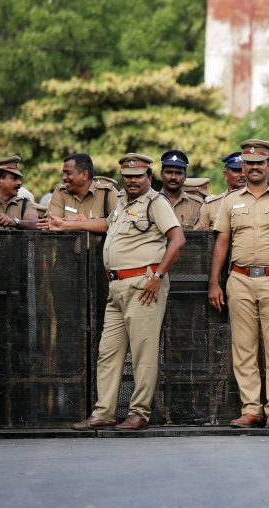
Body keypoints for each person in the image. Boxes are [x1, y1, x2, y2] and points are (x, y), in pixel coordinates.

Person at [71, 154, 185, 431]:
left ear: (148, 177)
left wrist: (158, 275)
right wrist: (68, 224)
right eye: (128, 176)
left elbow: (178, 238)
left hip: (143, 284)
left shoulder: (156, 202)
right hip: (117, 286)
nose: (132, 181)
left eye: (138, 176)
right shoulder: (122, 201)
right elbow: (106, 224)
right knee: (108, 352)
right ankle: (104, 412)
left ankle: (139, 413)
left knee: (143, 353)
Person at [208, 139, 269, 428]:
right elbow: (222, 242)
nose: (253, 168)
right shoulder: (229, 201)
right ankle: (251, 409)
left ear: (268, 166)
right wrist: (215, 281)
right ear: (243, 166)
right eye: (248, 164)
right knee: (244, 348)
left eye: (259, 163)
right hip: (239, 278)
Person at [41, 153, 119, 233]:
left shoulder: (107, 193)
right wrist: (85, 222)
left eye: (68, 173)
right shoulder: (61, 192)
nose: (63, 177)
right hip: (68, 245)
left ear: (85, 175)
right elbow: (52, 224)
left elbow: (118, 225)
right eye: (63, 173)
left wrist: (68, 224)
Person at [0, 155, 40, 230]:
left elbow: (36, 224)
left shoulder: (24, 204)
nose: (19, 182)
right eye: (14, 178)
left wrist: (14, 222)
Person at [196, 152, 246, 230]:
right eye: (237, 171)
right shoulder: (211, 205)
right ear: (225, 175)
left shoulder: (258, 200)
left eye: (245, 171)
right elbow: (198, 237)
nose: (243, 175)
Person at [159, 150, 204, 229]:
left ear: (185, 176)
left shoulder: (198, 205)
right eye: (169, 172)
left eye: (178, 173)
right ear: (161, 174)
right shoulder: (151, 202)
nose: (173, 177)